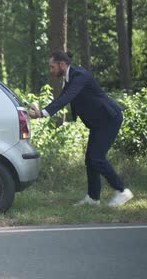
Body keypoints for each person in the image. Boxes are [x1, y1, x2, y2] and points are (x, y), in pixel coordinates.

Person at [29, 51, 134, 207]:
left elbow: (67, 97)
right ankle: (93, 198)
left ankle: (122, 191)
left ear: (62, 64)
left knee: (97, 158)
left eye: (52, 67)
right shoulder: (69, 78)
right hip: (98, 123)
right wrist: (41, 113)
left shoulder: (80, 75)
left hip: (109, 119)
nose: (51, 70)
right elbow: (61, 100)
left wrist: (42, 113)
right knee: (90, 159)